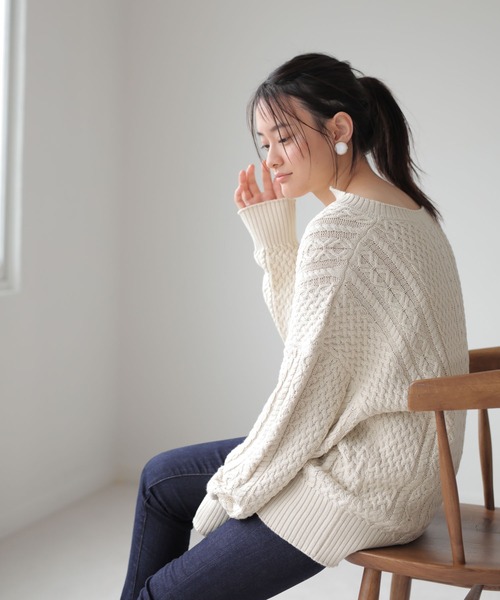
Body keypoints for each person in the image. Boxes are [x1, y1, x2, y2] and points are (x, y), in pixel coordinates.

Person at [120, 53, 468, 600]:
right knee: (160, 479)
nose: (272, 159)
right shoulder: (406, 209)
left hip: (364, 481)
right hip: (408, 472)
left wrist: (233, 491)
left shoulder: (342, 230)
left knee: (161, 593)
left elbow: (305, 389)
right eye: (264, 144)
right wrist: (277, 240)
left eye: (284, 138)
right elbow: (321, 348)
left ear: (340, 130)